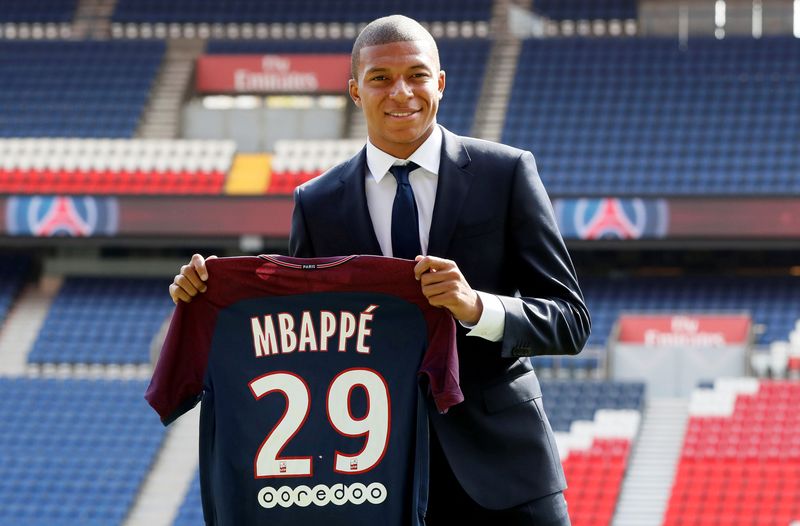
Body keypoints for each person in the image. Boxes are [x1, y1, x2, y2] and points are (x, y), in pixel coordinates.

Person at [170, 15, 590, 525]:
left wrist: (476, 307)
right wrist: (208, 298)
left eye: (416, 75)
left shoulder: (506, 173)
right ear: (354, 90)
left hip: (506, 474)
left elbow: (571, 321)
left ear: (440, 81)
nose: (402, 92)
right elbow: (302, 341)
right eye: (381, 78)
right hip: (374, 484)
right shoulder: (318, 203)